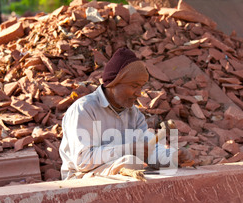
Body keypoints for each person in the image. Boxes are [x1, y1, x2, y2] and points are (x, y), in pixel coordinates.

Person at [59, 47, 192, 180]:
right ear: (113, 83)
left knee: (145, 166)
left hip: (116, 171)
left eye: (141, 87)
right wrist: (129, 149)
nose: (139, 93)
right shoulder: (84, 109)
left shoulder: (134, 114)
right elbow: (83, 161)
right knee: (131, 162)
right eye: (134, 86)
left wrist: (171, 157)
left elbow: (148, 149)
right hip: (81, 177)